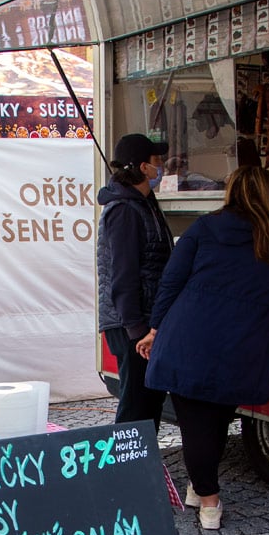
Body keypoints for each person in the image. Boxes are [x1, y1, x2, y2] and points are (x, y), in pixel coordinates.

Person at [136, 166, 269, 531]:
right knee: (218, 421)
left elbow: (171, 281)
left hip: (189, 339)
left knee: (196, 426)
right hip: (243, 344)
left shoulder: (205, 227)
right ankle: (198, 487)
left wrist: (154, 330)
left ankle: (208, 503)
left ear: (231, 192)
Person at [96, 133, 174, 429]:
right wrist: (137, 329)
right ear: (144, 167)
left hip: (143, 320)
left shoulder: (144, 203)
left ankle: (144, 468)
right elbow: (123, 274)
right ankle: (126, 470)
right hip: (131, 324)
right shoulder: (125, 211)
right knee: (136, 408)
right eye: (158, 161)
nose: (162, 167)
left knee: (149, 402)